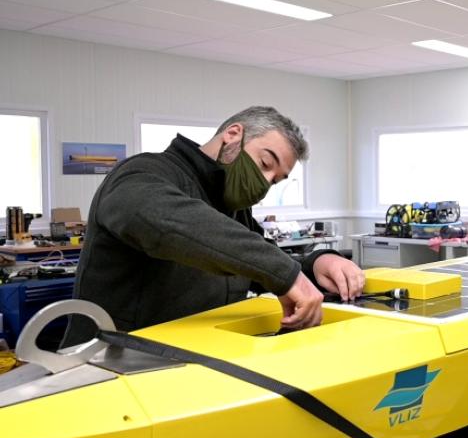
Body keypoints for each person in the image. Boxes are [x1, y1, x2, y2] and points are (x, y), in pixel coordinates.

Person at [63, 106, 364, 345]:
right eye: (264, 163)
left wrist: (315, 263)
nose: (265, 182)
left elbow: (255, 261)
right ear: (233, 134)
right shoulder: (142, 173)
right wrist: (285, 275)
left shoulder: (232, 205)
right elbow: (170, 223)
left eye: (276, 179)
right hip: (114, 361)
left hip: (193, 358)